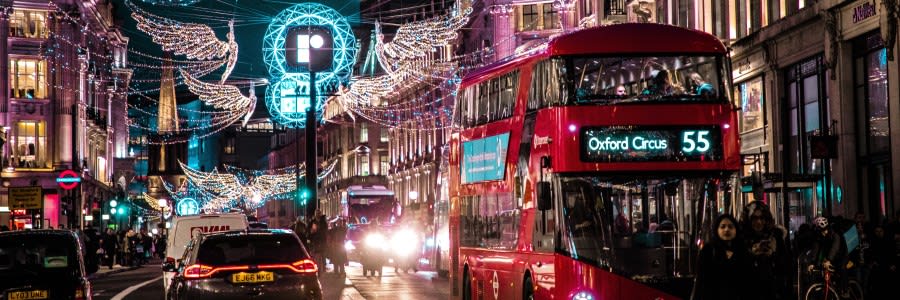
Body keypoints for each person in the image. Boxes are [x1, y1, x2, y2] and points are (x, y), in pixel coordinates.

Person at [739, 201, 789, 300]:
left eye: (762, 218)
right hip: (748, 292)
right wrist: (751, 254)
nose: (759, 222)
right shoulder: (741, 239)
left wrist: (773, 255)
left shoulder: (775, 237)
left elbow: (785, 266)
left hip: (772, 292)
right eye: (754, 218)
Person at [695, 214, 750, 300]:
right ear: (716, 230)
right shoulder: (708, 250)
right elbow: (701, 281)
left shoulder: (742, 250)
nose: (727, 229)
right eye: (722, 226)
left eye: (731, 227)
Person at [807, 216, 850, 298]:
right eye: (821, 231)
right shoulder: (819, 236)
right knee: (823, 268)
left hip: (842, 254)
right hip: (831, 256)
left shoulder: (835, 234)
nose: (824, 233)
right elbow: (816, 250)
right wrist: (812, 263)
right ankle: (833, 290)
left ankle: (845, 290)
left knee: (841, 268)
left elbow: (835, 247)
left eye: (824, 230)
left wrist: (829, 260)